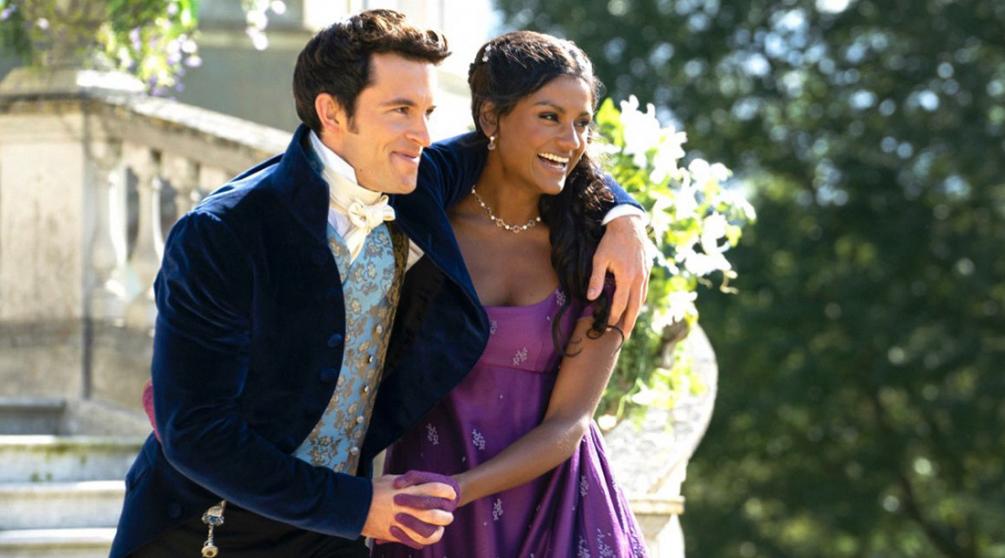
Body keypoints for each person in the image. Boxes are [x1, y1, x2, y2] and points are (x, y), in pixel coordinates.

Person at [116, 10, 651, 558]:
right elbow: (196, 433)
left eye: (426, 112)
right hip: (206, 529)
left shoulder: (415, 184)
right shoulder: (223, 232)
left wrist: (625, 217)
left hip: (333, 538)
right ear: (332, 112)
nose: (423, 135)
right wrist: (357, 507)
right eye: (400, 110)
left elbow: (530, 149)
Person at [374, 31, 650, 557]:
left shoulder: (600, 256)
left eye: (582, 123)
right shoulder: (423, 223)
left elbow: (570, 422)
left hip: (556, 512)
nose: (571, 140)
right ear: (490, 117)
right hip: (425, 509)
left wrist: (459, 490)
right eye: (549, 116)